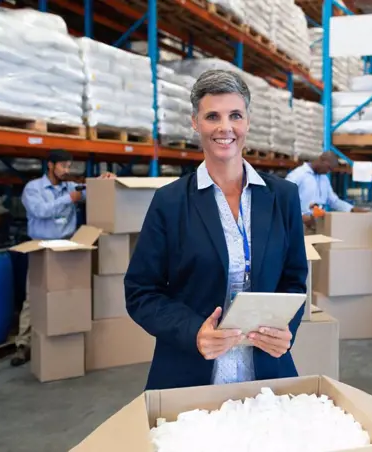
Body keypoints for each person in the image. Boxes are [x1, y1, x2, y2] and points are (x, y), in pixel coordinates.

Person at [124, 69, 308, 390]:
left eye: (235, 115)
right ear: (195, 123)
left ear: (247, 121)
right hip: (189, 371)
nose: (225, 128)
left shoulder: (283, 197)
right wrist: (193, 331)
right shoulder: (169, 202)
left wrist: (284, 330)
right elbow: (141, 291)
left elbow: (293, 280)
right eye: (212, 116)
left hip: (265, 371)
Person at [11, 149, 114, 367]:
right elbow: (40, 211)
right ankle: (24, 344)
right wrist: (69, 199)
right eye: (63, 166)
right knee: (34, 296)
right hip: (42, 248)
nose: (67, 171)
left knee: (69, 294)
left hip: (68, 246)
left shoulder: (70, 187)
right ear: (50, 165)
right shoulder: (33, 189)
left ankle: (66, 338)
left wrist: (102, 182)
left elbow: (90, 191)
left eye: (69, 166)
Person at [286, 152, 368, 230]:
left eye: (330, 170)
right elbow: (283, 200)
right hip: (298, 225)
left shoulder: (324, 178)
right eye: (328, 168)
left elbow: (333, 201)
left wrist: (351, 209)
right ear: (321, 160)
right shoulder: (297, 175)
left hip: (318, 223)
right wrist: (302, 217)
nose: (327, 172)